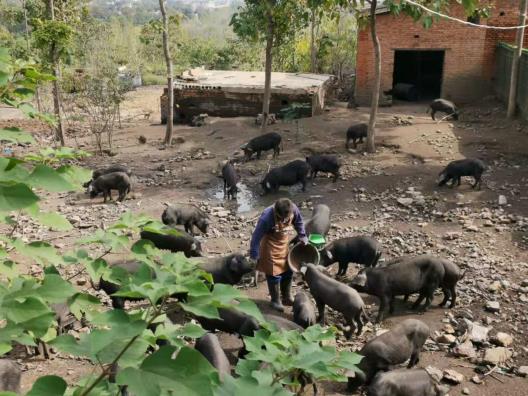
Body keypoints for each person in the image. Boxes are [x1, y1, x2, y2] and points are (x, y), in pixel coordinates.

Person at [249, 198, 307, 312]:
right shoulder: (266, 217)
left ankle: (286, 297)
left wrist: (302, 235)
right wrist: (254, 256)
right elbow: (255, 238)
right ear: (276, 212)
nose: (284, 221)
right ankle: (275, 300)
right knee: (274, 274)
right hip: (270, 246)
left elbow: (299, 222)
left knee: (288, 270)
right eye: (281, 218)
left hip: (283, 243)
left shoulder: (293, 208)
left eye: (286, 218)